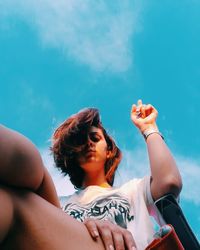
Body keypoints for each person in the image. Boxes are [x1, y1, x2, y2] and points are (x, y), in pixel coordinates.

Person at [0, 100, 182, 250]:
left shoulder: (134, 190)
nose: (88, 143)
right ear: (73, 153)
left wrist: (149, 128)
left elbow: (169, 182)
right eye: (80, 141)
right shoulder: (61, 202)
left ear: (109, 150)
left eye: (95, 138)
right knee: (14, 192)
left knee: (26, 182)